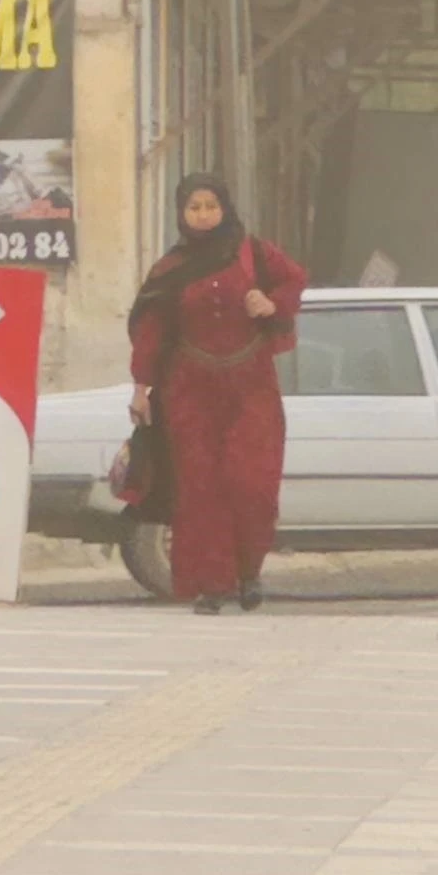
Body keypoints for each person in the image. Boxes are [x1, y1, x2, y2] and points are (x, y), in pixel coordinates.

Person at [128, 173, 307, 615]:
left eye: (211, 206)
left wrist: (271, 304)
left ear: (224, 209)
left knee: (251, 484)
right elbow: (151, 331)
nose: (203, 215)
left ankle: (248, 573)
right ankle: (213, 584)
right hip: (190, 390)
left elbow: (294, 281)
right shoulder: (169, 270)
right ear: (181, 213)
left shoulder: (254, 253)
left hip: (251, 385)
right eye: (194, 207)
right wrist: (141, 388)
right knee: (200, 488)